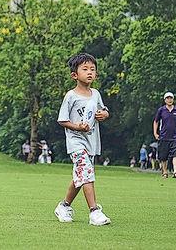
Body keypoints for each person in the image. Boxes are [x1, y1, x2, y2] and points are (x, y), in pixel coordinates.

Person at [54, 52, 111, 226]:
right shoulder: (71, 96)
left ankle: (63, 206)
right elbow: (62, 120)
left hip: (91, 142)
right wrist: (78, 126)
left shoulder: (96, 94)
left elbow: (103, 110)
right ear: (74, 75)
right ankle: (94, 212)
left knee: (80, 177)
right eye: (85, 69)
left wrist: (104, 114)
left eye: (92, 69)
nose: (89, 72)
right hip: (76, 142)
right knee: (86, 173)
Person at [153, 91, 176, 178]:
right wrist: (155, 133)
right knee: (163, 156)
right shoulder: (161, 110)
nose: (169, 100)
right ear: (165, 100)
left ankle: (175, 172)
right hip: (163, 136)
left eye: (171, 98)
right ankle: (164, 172)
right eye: (167, 98)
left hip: (175, 136)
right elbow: (156, 122)